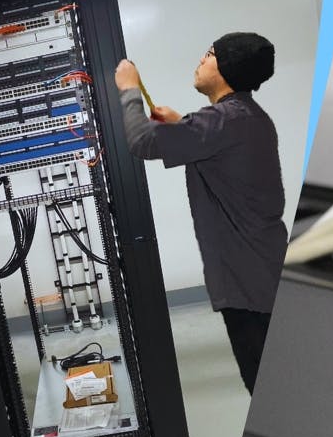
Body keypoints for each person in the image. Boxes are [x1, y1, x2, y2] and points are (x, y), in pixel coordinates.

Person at [114, 32, 287, 395]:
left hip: (247, 285)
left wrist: (129, 89)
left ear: (225, 68)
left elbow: (141, 142)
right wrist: (180, 124)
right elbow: (208, 141)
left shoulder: (221, 121)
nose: (201, 61)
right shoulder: (248, 117)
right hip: (263, 271)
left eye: (209, 55)